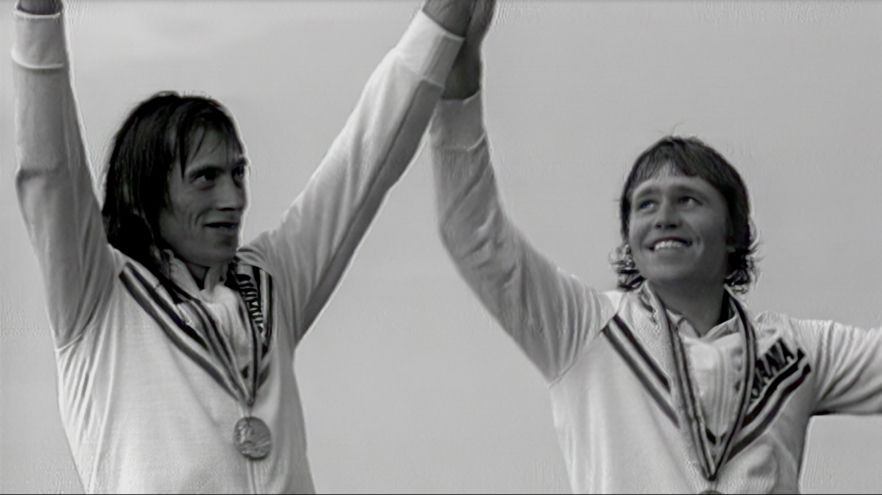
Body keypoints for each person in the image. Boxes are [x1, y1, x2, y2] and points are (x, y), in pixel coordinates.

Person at [11, 0, 493, 492]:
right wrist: (38, 16)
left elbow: (366, 156)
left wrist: (445, 19)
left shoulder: (269, 281)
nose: (233, 199)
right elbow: (51, 174)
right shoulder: (100, 299)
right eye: (206, 178)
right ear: (145, 194)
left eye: (238, 173)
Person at [429, 14, 882, 495]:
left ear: (732, 230)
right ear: (630, 237)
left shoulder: (796, 350)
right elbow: (474, 236)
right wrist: (459, 85)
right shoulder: (585, 329)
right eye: (645, 204)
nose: (664, 217)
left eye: (688, 199)